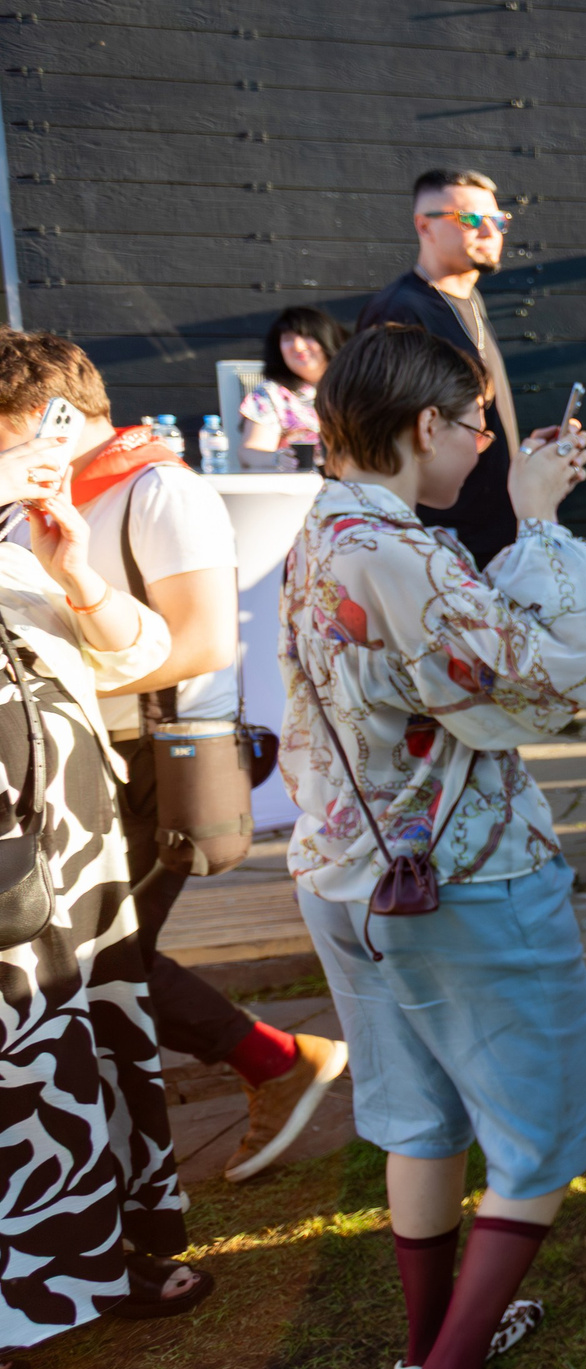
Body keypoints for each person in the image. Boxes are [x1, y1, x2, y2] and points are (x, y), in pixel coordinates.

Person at [280, 323, 586, 1369]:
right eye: (473, 424)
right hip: (463, 882)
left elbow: (451, 662)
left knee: (420, 1121)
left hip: (346, 875)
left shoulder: (322, 534)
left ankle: (421, 1355)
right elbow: (535, 685)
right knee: (544, 1132)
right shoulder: (403, 552)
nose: (480, 445)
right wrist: (539, 521)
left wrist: (517, 527)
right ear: (424, 424)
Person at [0, 332, 348, 1184]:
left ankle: (275, 1063)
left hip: (152, 753)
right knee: (94, 958)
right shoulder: (41, 496)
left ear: (52, 416)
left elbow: (200, 644)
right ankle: (267, 1065)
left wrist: (56, 678)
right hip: (73, 759)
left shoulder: (160, 489)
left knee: (102, 959)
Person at [0, 385, 201, 1369]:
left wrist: (76, 570)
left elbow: (139, 652)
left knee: (85, 1044)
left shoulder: (25, 532)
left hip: (70, 835)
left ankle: (107, 1257)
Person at [359, 170, 522, 567]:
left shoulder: (470, 298)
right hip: (443, 541)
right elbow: (384, 440)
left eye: (498, 220)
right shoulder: (400, 312)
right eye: (469, 219)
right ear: (424, 226)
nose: (489, 231)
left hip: (491, 531)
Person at [239, 304, 348, 469]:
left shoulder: (357, 386)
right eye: (288, 338)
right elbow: (250, 452)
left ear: (326, 338)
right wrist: (277, 459)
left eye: (306, 336)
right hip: (299, 488)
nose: (298, 346)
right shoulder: (272, 394)